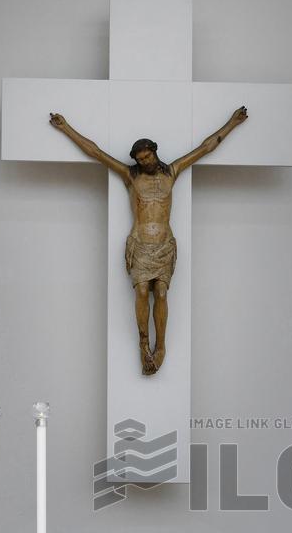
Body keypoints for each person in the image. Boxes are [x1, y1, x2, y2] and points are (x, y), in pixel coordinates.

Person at [49, 107, 248, 375]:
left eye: (148, 155)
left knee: (162, 293)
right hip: (140, 244)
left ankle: (161, 345)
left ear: (155, 151)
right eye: (141, 159)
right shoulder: (130, 176)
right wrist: (66, 128)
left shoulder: (172, 172)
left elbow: (205, 148)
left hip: (164, 245)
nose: (146, 161)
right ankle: (143, 343)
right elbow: (95, 152)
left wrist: (232, 123)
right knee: (142, 291)